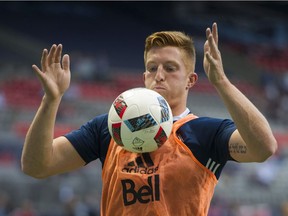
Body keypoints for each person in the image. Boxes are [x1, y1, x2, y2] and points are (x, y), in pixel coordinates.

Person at [21, 23, 277, 215]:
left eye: (170, 68)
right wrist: (50, 101)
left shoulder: (204, 132)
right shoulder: (111, 126)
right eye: (153, 68)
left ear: (191, 80)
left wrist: (221, 82)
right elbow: (37, 166)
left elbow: (264, 147)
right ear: (144, 77)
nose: (160, 75)